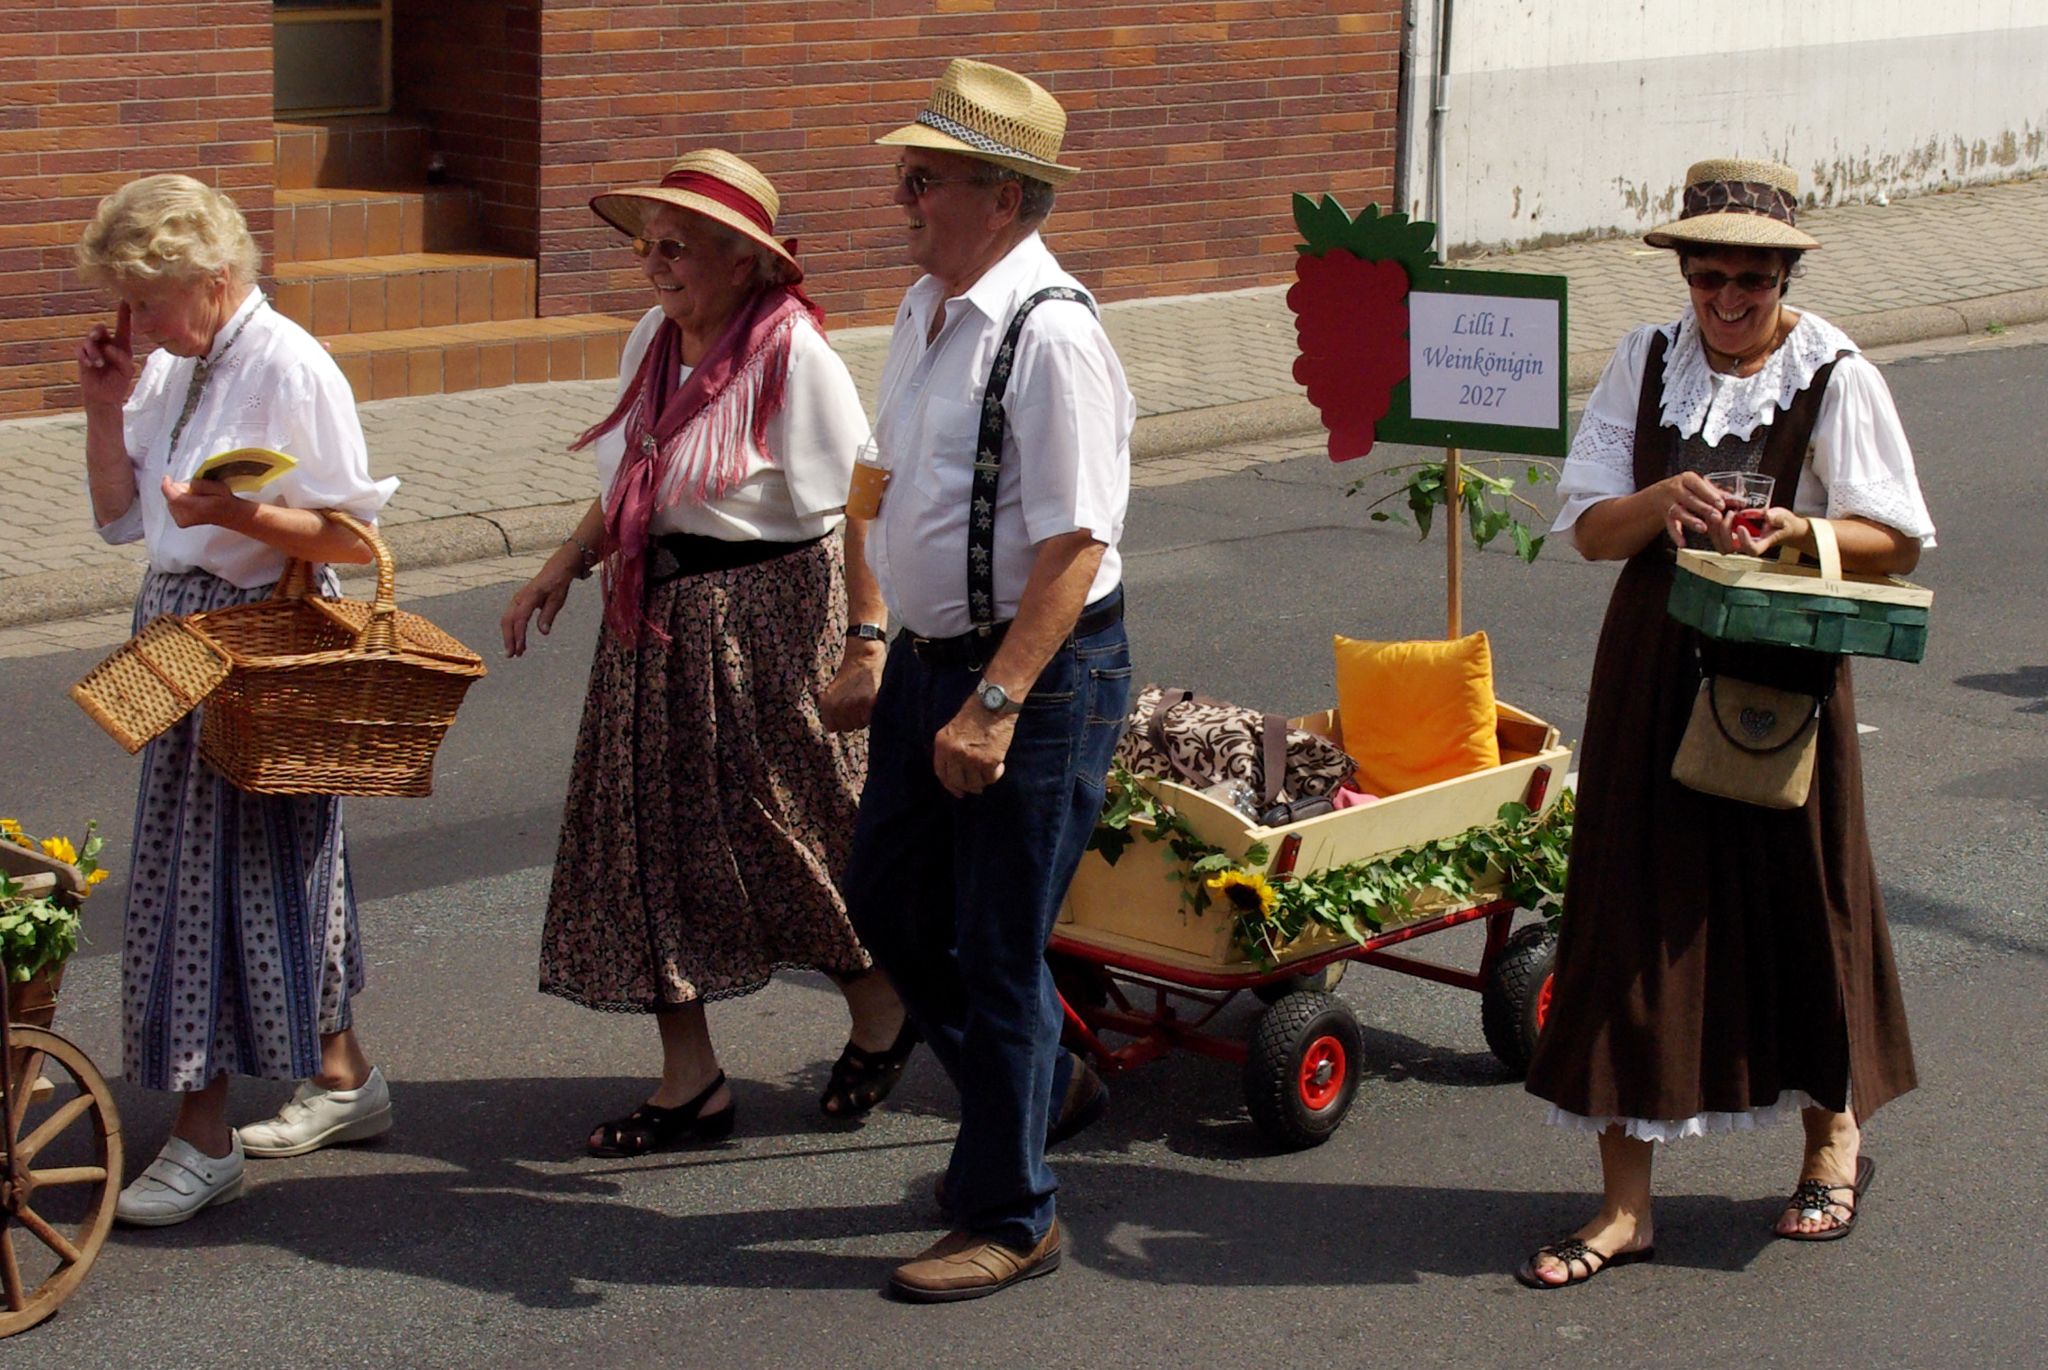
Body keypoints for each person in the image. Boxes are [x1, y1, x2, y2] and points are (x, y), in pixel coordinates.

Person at [1518, 158, 1935, 1288]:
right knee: (1626, 906)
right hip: (1651, 662)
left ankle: (1832, 1139)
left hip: (1778, 669)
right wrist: (1660, 503)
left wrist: (1794, 533)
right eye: (1707, 278)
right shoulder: (1640, 360)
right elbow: (1591, 533)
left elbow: (1897, 535)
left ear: (1784, 272)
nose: (1727, 302)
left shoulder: (1833, 370)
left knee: (1798, 896)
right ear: (1682, 272)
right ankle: (1621, 1207)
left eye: (1750, 280)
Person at [500, 149, 912, 1156]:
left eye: (679, 244)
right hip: (655, 620)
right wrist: (563, 561)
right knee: (645, 842)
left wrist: (867, 636)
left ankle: (882, 1006)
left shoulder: (789, 354)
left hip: (766, 614)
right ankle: (691, 1082)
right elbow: (639, 473)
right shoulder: (653, 339)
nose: (655, 261)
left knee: (788, 826)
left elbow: (861, 500)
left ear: (745, 261)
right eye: (649, 240)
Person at [842, 60, 1135, 1303]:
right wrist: (870, 636)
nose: (902, 193)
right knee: (885, 902)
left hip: (1037, 674)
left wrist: (999, 700)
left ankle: (1013, 1209)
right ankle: (1035, 1089)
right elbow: (884, 486)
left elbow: (1074, 545)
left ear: (1004, 196)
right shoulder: (925, 308)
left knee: (998, 943)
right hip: (928, 659)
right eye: (905, 172)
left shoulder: (1050, 333)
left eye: (928, 176)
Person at [75, 174, 398, 1227]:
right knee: (275, 869)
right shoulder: (180, 361)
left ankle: (203, 1133)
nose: (137, 321)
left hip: (259, 640)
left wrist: (236, 513)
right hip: (184, 630)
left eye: (149, 298)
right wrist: (102, 403)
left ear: (213, 282)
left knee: (207, 884)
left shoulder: (288, 360)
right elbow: (119, 519)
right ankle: (345, 1076)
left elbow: (351, 537)